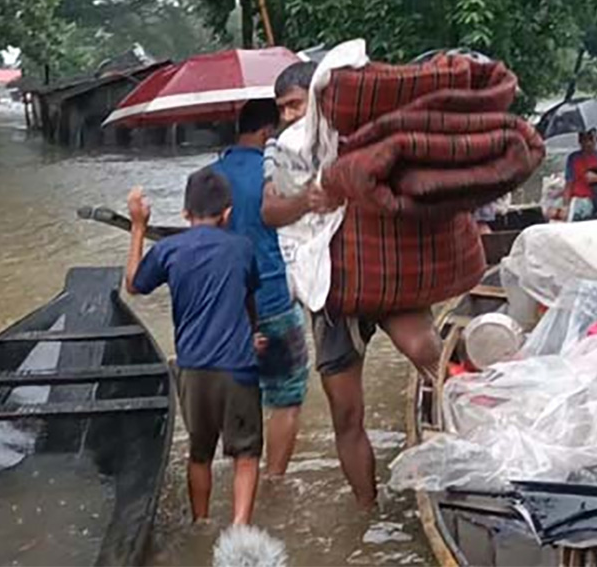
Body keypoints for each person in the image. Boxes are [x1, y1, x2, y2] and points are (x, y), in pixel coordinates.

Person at [261, 61, 440, 509]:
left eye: (295, 105)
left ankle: (473, 445)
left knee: (426, 353)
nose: (287, 116)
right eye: (281, 108)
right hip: (331, 288)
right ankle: (366, 509)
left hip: (387, 268)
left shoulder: (364, 131)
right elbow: (269, 212)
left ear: (319, 100)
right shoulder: (282, 150)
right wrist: (307, 198)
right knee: (345, 412)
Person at [123, 169, 264, 526]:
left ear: (185, 213)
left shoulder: (169, 250)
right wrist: (253, 333)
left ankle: (201, 524)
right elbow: (249, 298)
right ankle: (239, 529)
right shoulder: (242, 248)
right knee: (245, 455)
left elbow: (134, 286)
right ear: (228, 213)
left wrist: (138, 226)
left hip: (193, 368)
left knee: (199, 454)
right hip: (238, 367)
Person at [210, 98, 309, 477]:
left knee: (238, 394)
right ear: (269, 133)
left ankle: (241, 472)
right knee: (286, 398)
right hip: (271, 300)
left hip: (224, 310)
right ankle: (274, 480)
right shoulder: (277, 180)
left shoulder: (207, 178)